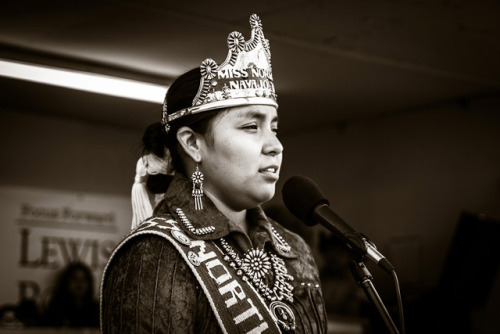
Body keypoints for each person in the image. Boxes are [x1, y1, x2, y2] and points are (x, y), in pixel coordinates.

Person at [101, 14, 327, 333]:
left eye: (274, 128)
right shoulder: (156, 251)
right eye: (251, 127)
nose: (275, 145)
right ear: (193, 144)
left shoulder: (292, 247)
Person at [43, 262, 99, 328]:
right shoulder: (57, 308)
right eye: (74, 279)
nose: (79, 283)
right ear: (66, 282)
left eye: (83, 279)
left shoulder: (95, 310)